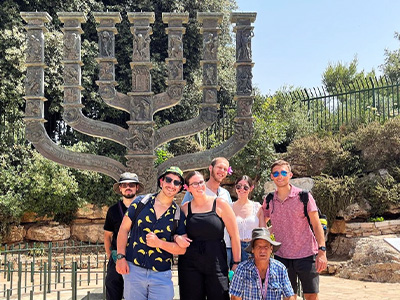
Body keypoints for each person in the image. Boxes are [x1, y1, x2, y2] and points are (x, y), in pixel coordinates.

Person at [116, 166, 190, 300]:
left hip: (161, 275)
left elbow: (182, 250)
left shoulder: (178, 214)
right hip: (134, 270)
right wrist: (120, 257)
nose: (171, 185)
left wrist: (159, 243)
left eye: (176, 182)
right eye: (168, 180)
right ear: (161, 182)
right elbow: (123, 229)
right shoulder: (140, 202)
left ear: (180, 188)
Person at [262, 160, 327, 300]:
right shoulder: (269, 200)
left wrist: (322, 251)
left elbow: (316, 225)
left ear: (290, 175)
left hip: (307, 254)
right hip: (281, 256)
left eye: (284, 172)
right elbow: (261, 220)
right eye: (276, 173)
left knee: (311, 296)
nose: (280, 176)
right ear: (272, 176)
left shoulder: (304, 197)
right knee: (287, 297)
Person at [177, 171, 240, 300]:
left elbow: (234, 235)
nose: (199, 186)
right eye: (194, 184)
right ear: (188, 189)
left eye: (201, 182)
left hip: (216, 262)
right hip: (190, 265)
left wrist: (236, 262)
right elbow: (176, 232)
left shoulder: (220, 204)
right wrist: (176, 238)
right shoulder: (184, 209)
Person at [181, 157, 233, 265]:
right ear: (210, 168)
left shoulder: (225, 194)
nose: (222, 171)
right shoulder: (195, 190)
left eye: (225, 169)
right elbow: (183, 218)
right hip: (200, 249)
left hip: (225, 246)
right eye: (219, 167)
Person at [104, 172, 144, 300]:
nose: (128, 187)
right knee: (113, 288)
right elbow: (107, 235)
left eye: (131, 185)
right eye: (124, 185)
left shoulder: (145, 209)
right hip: (117, 256)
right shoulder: (113, 210)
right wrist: (111, 256)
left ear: (137, 187)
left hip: (138, 256)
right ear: (120, 188)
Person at [229, 227, 295, 300]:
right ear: (252, 249)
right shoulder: (242, 269)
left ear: (271, 249)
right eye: (259, 247)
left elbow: (289, 296)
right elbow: (235, 297)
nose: (262, 250)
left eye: (266, 247)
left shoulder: (280, 268)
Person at [232, 175, 266, 264]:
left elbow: (263, 232)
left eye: (246, 187)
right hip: (235, 249)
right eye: (238, 186)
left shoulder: (257, 207)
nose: (241, 189)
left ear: (251, 188)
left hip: (253, 248)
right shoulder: (229, 207)